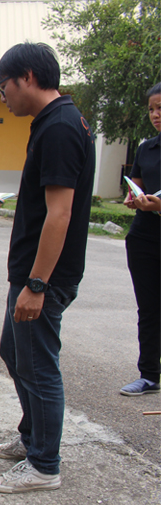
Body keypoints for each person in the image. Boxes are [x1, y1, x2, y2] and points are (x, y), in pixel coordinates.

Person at [0, 42, 95, 494]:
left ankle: (44, 466)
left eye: (3, 87)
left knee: (38, 365)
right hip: (33, 272)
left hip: (44, 277)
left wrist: (36, 284)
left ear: (27, 76)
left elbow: (61, 213)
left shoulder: (59, 127)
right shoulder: (55, 121)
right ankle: (32, 437)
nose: (3, 97)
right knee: (15, 354)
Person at [119, 82, 161, 396]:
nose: (155, 115)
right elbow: (136, 182)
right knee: (148, 308)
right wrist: (133, 197)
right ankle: (149, 375)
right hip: (144, 237)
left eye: (160, 108)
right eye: (151, 109)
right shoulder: (147, 147)